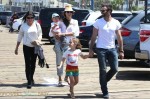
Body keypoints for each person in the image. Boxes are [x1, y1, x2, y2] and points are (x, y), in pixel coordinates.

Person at [89, 4, 124, 98]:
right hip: (100, 49)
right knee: (103, 70)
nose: (102, 12)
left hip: (112, 48)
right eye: (101, 11)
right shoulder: (98, 22)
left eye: (104, 11)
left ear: (109, 11)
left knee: (115, 69)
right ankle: (105, 91)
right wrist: (90, 49)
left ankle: (103, 81)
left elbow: (119, 37)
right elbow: (93, 36)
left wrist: (121, 50)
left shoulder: (116, 22)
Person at [52, 4, 80, 86]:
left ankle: (67, 77)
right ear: (64, 13)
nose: (69, 13)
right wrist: (56, 35)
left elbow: (74, 33)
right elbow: (53, 32)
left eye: (70, 12)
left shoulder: (75, 22)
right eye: (67, 12)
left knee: (71, 62)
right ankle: (60, 78)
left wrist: (62, 34)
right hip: (60, 44)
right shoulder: (60, 22)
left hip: (70, 45)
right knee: (59, 61)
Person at [14, 11, 42, 89]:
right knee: (27, 63)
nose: (30, 19)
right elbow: (20, 36)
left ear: (34, 18)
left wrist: (38, 40)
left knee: (33, 63)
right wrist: (17, 47)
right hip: (26, 46)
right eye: (28, 18)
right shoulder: (23, 26)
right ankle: (29, 80)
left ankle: (31, 77)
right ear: (26, 18)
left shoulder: (37, 25)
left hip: (35, 46)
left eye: (31, 18)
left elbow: (40, 34)